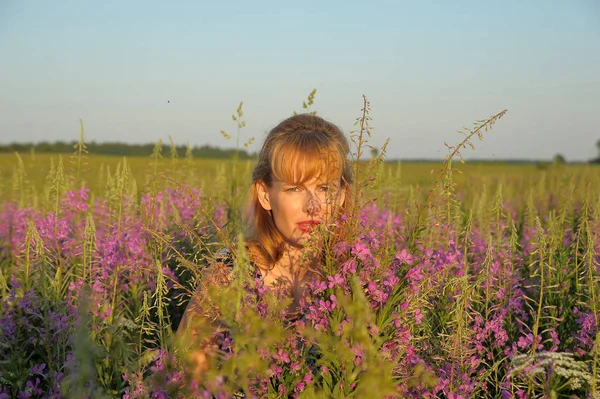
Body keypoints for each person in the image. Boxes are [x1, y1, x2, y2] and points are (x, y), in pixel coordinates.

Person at [177, 113, 353, 382]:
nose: (313, 206)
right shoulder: (231, 273)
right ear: (265, 194)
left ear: (341, 196)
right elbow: (186, 376)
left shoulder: (354, 273)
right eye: (294, 188)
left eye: (325, 189)